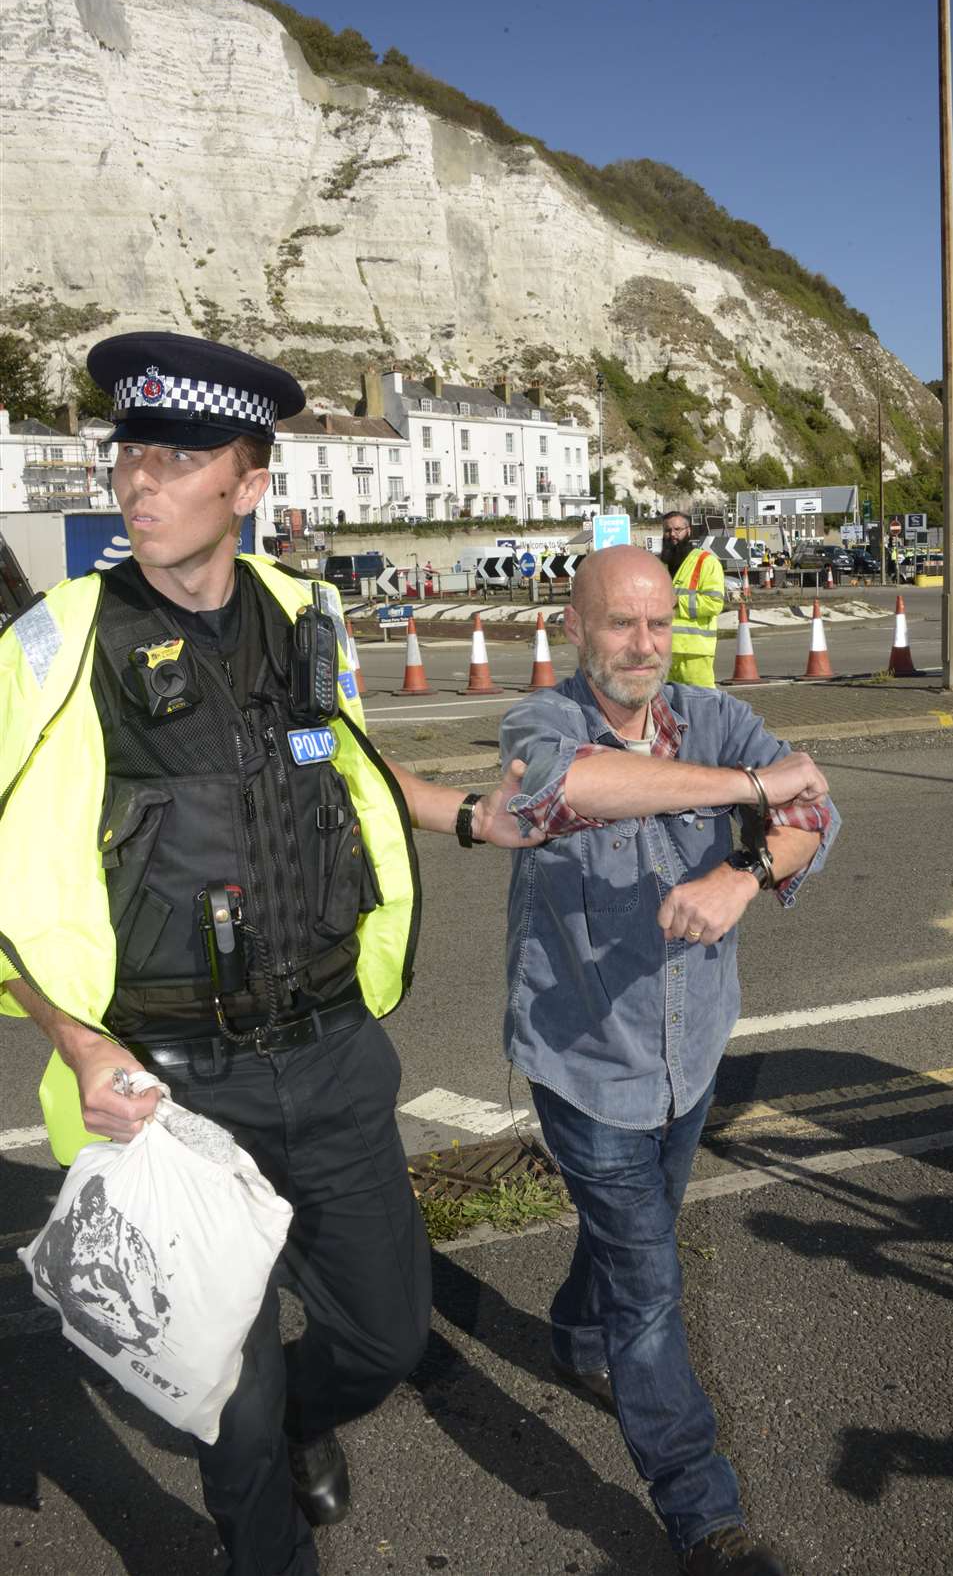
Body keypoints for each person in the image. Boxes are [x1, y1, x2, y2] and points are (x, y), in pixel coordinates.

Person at [0, 331, 541, 1576]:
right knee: (228, 1420)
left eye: (178, 458)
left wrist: (465, 813)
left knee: (388, 1338)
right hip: (176, 1093)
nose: (138, 482)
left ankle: (313, 1416)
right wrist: (78, 1045)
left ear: (249, 484)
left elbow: (336, 766)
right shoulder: (61, 643)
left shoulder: (310, 612)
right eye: (128, 452)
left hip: (335, 1053)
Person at [499, 545, 839, 1576]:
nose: (643, 646)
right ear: (574, 627)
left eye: (657, 625)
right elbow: (579, 788)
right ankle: (703, 1513)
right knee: (650, 1287)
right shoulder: (543, 727)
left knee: (626, 1242)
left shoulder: (715, 714)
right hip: (588, 1064)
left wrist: (745, 871)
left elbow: (816, 806)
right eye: (619, 624)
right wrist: (749, 788)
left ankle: (573, 1329)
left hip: (690, 1055)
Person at [660, 510, 727, 686]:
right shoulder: (659, 565)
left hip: (694, 651)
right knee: (666, 707)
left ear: (688, 531)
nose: (672, 535)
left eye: (677, 529)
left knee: (701, 704)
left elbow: (714, 604)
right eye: (667, 530)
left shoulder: (706, 562)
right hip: (664, 650)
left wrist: (676, 601)